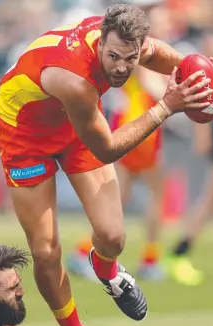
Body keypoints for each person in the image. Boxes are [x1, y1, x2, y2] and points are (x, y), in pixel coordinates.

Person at [0, 3, 213, 326]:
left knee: (113, 235)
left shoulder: (129, 43)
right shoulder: (75, 81)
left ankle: (106, 270)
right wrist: (167, 105)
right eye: (114, 56)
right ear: (100, 42)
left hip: (72, 122)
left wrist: (200, 77)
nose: (121, 67)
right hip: (24, 131)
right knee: (45, 251)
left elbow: (160, 53)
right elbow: (106, 150)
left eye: (130, 58)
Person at [167, 1, 213, 286]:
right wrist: (203, 133)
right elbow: (211, 85)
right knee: (211, 196)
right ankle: (177, 254)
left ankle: (179, 252)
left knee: (212, 198)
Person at [67, 67, 166, 282]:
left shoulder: (131, 57)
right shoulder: (145, 58)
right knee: (154, 194)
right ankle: (149, 260)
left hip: (125, 125)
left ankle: (83, 251)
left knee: (120, 195)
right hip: (142, 129)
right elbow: (157, 91)